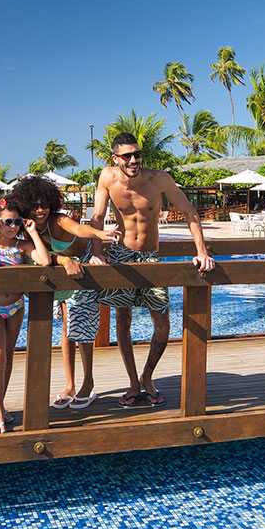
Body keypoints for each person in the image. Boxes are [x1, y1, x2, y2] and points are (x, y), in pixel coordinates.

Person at [90, 132, 215, 408]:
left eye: (137, 154)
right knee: (123, 319)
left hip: (150, 257)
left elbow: (190, 211)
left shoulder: (159, 179)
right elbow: (97, 218)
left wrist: (202, 252)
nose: (134, 160)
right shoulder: (107, 178)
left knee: (162, 324)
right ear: (115, 158)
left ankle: (148, 376)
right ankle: (134, 382)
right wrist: (98, 254)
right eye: (127, 156)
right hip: (121, 254)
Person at [10, 176, 120, 410]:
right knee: (67, 328)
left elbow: (79, 228)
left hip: (83, 266)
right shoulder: (27, 229)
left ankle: (88, 382)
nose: (40, 209)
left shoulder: (58, 220)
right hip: (63, 269)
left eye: (44, 204)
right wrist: (62, 258)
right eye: (35, 205)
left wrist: (100, 235)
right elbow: (37, 255)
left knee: (81, 327)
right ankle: (69, 384)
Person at [0, 195, 51, 434]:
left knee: (7, 357)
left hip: (16, 307)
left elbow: (45, 261)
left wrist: (32, 232)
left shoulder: (22, 246)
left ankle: (1, 405)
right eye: (8, 222)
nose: (13, 227)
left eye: (16, 221)